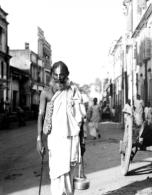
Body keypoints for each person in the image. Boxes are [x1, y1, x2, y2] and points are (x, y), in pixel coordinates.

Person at [36, 61, 85, 195]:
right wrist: (39, 140)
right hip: (55, 140)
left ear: (67, 75)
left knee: (70, 172)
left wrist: (83, 141)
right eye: (56, 75)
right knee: (56, 173)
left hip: (71, 140)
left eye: (62, 75)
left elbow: (80, 119)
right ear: (51, 75)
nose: (59, 79)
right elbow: (40, 116)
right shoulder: (46, 93)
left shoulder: (73, 92)